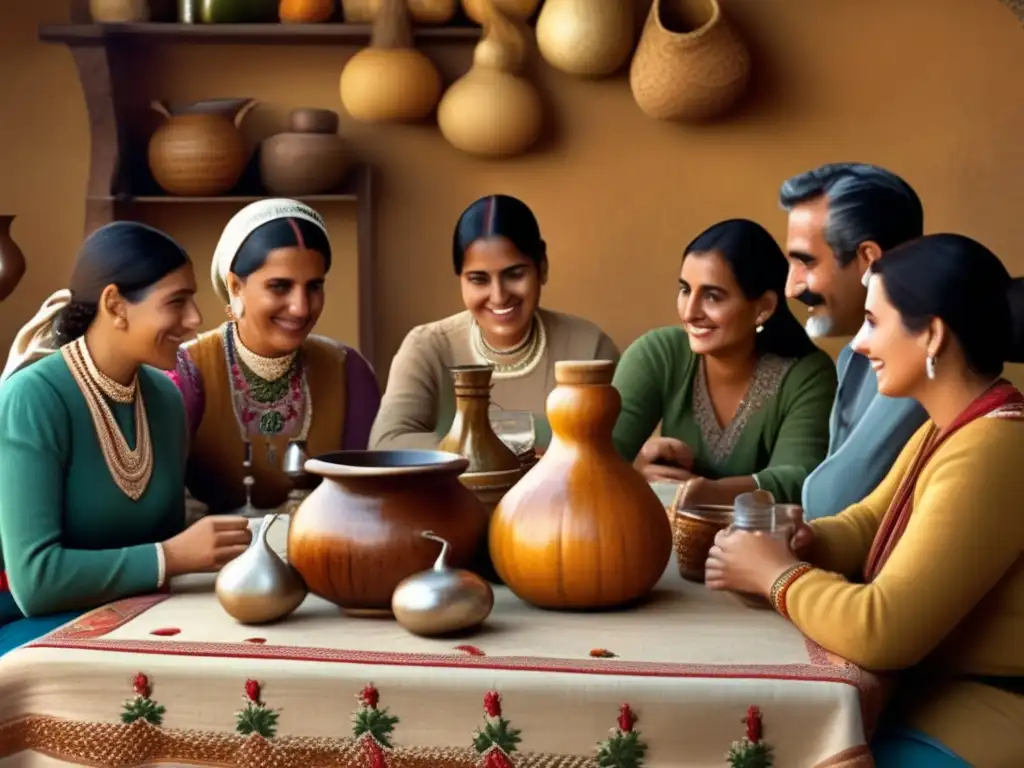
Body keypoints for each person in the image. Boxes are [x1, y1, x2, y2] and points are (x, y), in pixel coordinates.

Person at [705, 234, 1024, 767]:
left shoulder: (996, 449)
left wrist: (776, 576)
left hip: (976, 721)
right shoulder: (952, 428)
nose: (858, 344)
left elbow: (883, 629)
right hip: (929, 701)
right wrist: (808, 539)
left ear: (932, 336)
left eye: (875, 322)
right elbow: (870, 521)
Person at [0, 222, 252, 655]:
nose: (195, 319)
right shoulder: (33, 398)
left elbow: (166, 542)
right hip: (29, 631)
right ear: (115, 305)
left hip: (142, 620)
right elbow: (35, 582)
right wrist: (172, 557)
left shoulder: (165, 399)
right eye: (177, 301)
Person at [170, 199, 381, 513]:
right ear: (235, 287)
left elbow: (369, 498)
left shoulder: (348, 371)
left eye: (314, 286)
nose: (301, 308)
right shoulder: (186, 372)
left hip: (326, 553)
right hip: (215, 560)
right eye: (280, 287)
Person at [369, 194, 619, 452]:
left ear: (542, 267)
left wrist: (472, 442)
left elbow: (618, 448)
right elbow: (388, 444)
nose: (499, 296)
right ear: (461, 279)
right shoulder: (428, 347)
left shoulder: (588, 349)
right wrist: (523, 446)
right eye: (479, 279)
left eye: (515, 274)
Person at [612, 219, 836, 506]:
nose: (690, 312)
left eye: (712, 296)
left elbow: (800, 479)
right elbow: (594, 452)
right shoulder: (660, 354)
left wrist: (706, 492)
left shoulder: (807, 374)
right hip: (666, 539)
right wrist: (630, 470)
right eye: (685, 290)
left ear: (764, 307)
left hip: (761, 546)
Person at [780, 163, 928, 519]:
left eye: (806, 263)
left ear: (868, 260)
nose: (791, 288)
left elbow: (835, 500)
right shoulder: (855, 356)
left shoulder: (924, 359)